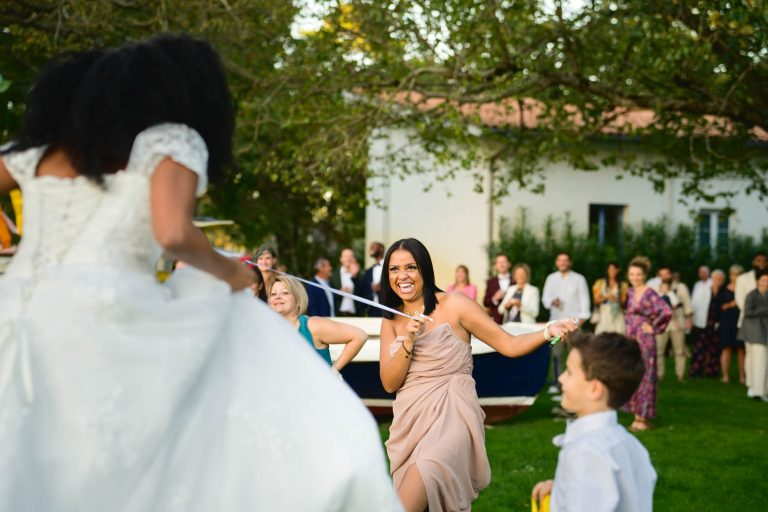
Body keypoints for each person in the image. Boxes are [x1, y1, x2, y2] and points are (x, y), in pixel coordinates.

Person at [0, 35, 401, 511]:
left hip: (20, 306)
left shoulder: (46, 150)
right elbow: (172, 232)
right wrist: (227, 271)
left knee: (30, 445)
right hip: (105, 313)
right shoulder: (170, 142)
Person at [379, 238, 577, 512]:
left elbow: (508, 345)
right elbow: (390, 383)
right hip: (410, 423)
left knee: (409, 497)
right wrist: (409, 341)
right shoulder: (391, 319)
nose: (402, 276)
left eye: (410, 267)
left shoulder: (455, 305)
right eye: (394, 269)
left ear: (424, 268)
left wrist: (547, 332)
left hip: (452, 416)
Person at [531, 332, 656, 512]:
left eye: (570, 372)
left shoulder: (586, 453)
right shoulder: (630, 444)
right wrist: (561, 489)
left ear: (595, 389)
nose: (561, 378)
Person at [269, 276, 367, 371]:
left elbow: (359, 336)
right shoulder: (268, 329)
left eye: (285, 293)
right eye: (273, 294)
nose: (277, 297)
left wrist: (333, 371)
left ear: (298, 300)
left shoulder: (312, 325)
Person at [622, 256, 671, 432]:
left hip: (644, 338)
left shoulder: (649, 293)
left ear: (644, 275)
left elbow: (665, 311)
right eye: (631, 274)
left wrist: (653, 327)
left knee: (646, 374)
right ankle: (637, 414)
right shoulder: (629, 292)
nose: (635, 277)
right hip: (631, 336)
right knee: (633, 372)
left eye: (638, 274)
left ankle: (642, 417)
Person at [542, 252, 591, 392]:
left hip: (574, 324)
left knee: (574, 355)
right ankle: (557, 383)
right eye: (560, 260)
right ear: (557, 262)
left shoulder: (579, 279)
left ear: (570, 262)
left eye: (565, 260)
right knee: (556, 355)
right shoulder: (551, 279)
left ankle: (575, 382)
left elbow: (585, 302)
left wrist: (579, 323)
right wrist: (553, 301)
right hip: (556, 324)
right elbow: (545, 300)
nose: (563, 263)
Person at [650, 266, 692, 381]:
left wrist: (689, 320)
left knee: (679, 350)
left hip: (677, 322)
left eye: (666, 274)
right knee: (658, 350)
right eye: (661, 274)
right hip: (660, 323)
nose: (664, 277)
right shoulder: (654, 288)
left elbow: (687, 304)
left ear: (671, 275)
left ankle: (680, 375)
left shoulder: (680, 287)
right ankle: (659, 375)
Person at [736, 251, 768, 396]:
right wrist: (760, 313)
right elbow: (740, 300)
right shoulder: (743, 278)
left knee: (762, 356)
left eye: (764, 261)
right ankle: (751, 384)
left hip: (765, 324)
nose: (761, 263)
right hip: (750, 323)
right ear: (753, 262)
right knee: (750, 353)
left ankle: (761, 384)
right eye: (758, 260)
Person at [690, 270, 726, 378]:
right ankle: (696, 371)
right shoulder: (703, 289)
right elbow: (695, 304)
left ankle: (712, 372)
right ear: (712, 278)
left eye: (720, 279)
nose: (718, 281)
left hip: (717, 324)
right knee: (699, 348)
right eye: (716, 278)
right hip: (702, 323)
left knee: (714, 349)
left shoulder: (723, 292)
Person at [715, 265, 744, 383]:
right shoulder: (723, 289)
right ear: (730, 275)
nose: (735, 277)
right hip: (726, 321)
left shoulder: (744, 289)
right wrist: (730, 305)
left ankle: (743, 376)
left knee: (741, 349)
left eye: (738, 274)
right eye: (733, 274)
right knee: (726, 348)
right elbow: (718, 307)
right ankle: (725, 375)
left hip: (740, 321)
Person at [591, 261, 628, 334]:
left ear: (618, 270)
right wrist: (607, 297)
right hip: (604, 314)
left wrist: (616, 299)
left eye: (614, 269)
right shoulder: (600, 283)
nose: (612, 271)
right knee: (602, 335)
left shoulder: (623, 285)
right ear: (607, 270)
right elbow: (595, 300)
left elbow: (625, 303)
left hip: (618, 314)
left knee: (619, 335)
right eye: (610, 269)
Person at [331, 248, 364, 316]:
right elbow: (329, 295)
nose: (348, 259)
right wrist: (339, 292)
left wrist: (354, 276)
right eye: (345, 256)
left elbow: (363, 294)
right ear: (341, 259)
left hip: (356, 315)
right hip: (338, 315)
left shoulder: (360, 275)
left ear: (354, 259)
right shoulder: (334, 275)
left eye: (350, 256)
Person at [483, 253, 512, 324]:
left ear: (509, 264)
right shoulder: (490, 282)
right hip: (496, 321)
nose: (501, 264)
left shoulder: (516, 280)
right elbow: (485, 302)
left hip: (513, 319)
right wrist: (494, 298)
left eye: (504, 262)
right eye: (499, 262)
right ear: (496, 265)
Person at [363, 241, 386, 317]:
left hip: (386, 307)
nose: (370, 249)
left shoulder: (389, 267)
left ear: (381, 249)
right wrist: (371, 287)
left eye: (373, 247)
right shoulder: (369, 271)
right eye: (370, 247)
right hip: (372, 308)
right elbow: (364, 288)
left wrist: (382, 287)